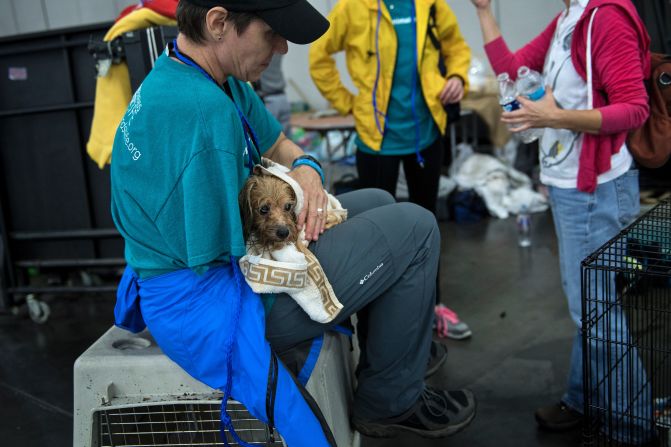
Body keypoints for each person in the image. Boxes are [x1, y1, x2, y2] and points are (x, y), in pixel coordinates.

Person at [110, 0, 476, 444]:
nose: (282, 48)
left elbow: (278, 140)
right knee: (417, 228)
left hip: (220, 259)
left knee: (379, 199)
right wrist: (296, 228)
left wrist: (306, 167)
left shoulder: (203, 75)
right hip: (216, 298)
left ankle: (397, 353)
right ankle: (390, 401)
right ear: (219, 22)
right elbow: (222, 255)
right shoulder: (203, 115)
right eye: (272, 34)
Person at [469, 0, 653, 444]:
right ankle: (581, 397)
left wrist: (550, 116)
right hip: (571, 188)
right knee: (589, 302)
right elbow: (511, 70)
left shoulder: (605, 18)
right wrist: (484, 11)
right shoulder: (567, 20)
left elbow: (634, 108)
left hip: (597, 190)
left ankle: (632, 424)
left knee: (594, 308)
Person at [308, 0, 473, 340]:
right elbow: (319, 57)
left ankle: (432, 307)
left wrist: (456, 76)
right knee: (375, 234)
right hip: (376, 139)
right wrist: (348, 103)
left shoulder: (430, 4)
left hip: (426, 135)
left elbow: (456, 47)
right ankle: (379, 318)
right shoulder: (352, 8)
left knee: (428, 225)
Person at [254, 53, 292, 137]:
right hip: (282, 97)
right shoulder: (278, 51)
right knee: (286, 139)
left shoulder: (261, 54)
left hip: (269, 99)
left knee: (270, 140)